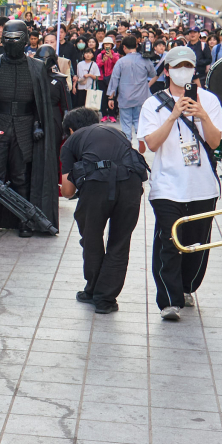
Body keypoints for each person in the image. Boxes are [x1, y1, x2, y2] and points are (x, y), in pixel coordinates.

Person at [139, 46, 222, 321]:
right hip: (167, 187)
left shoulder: (209, 100)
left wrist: (201, 116)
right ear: (166, 71)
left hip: (202, 186)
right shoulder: (153, 103)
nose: (183, 71)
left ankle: (187, 287)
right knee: (169, 242)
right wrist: (173, 114)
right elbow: (150, 144)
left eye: (188, 66)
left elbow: (214, 141)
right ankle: (169, 300)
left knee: (196, 244)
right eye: (177, 66)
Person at [0, 19, 62, 236]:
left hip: (25, 127)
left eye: (16, 39)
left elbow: (41, 102)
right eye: (7, 39)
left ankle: (24, 219)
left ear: (25, 40)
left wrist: (38, 123)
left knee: (20, 177)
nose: (11, 43)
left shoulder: (36, 68)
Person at [59, 107, 149, 314]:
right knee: (119, 242)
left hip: (96, 185)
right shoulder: (117, 132)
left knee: (91, 238)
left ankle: (91, 290)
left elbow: (67, 191)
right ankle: (105, 299)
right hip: (130, 183)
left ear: (71, 129)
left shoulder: (71, 142)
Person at [105, 35, 157, 149]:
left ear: (124, 47)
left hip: (125, 97)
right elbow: (153, 74)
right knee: (139, 120)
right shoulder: (145, 60)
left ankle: (127, 144)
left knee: (126, 123)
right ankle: (140, 138)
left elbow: (114, 79)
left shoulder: (121, 61)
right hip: (142, 97)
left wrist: (111, 97)